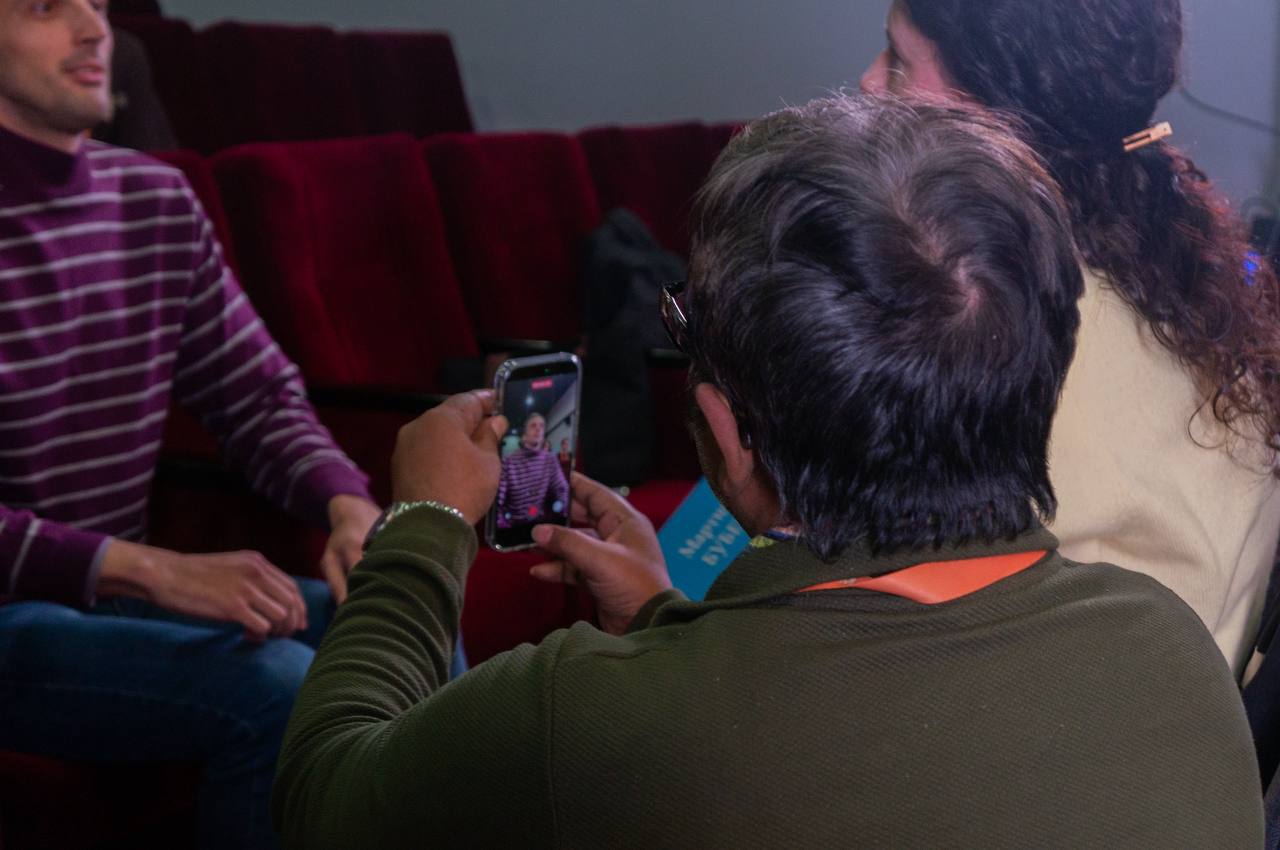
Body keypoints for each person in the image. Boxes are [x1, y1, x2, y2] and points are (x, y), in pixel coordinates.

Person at [273, 95, 1262, 848]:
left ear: (728, 430)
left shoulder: (582, 718)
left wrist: (422, 522)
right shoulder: (1170, 652)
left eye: (681, 320)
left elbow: (322, 798)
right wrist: (664, 621)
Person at [0, 2, 382, 847]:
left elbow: (255, 396)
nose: (94, 29)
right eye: (46, 6)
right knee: (277, 686)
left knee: (398, 620)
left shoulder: (155, 199)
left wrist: (346, 502)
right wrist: (147, 570)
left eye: (98, 4)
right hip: (17, 612)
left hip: (109, 597)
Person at [860, 0, 1280, 676]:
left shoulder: (994, 337)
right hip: (1188, 714)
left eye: (900, 63)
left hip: (1083, 719)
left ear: (998, 112)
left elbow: (896, 641)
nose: (869, 83)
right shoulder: (1182, 273)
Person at [495, 412, 569, 528]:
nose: (538, 429)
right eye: (533, 425)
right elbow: (498, 500)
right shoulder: (508, 462)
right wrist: (502, 523)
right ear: (524, 435)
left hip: (539, 526)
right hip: (513, 526)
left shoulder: (550, 460)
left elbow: (562, 488)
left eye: (542, 426)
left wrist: (560, 511)